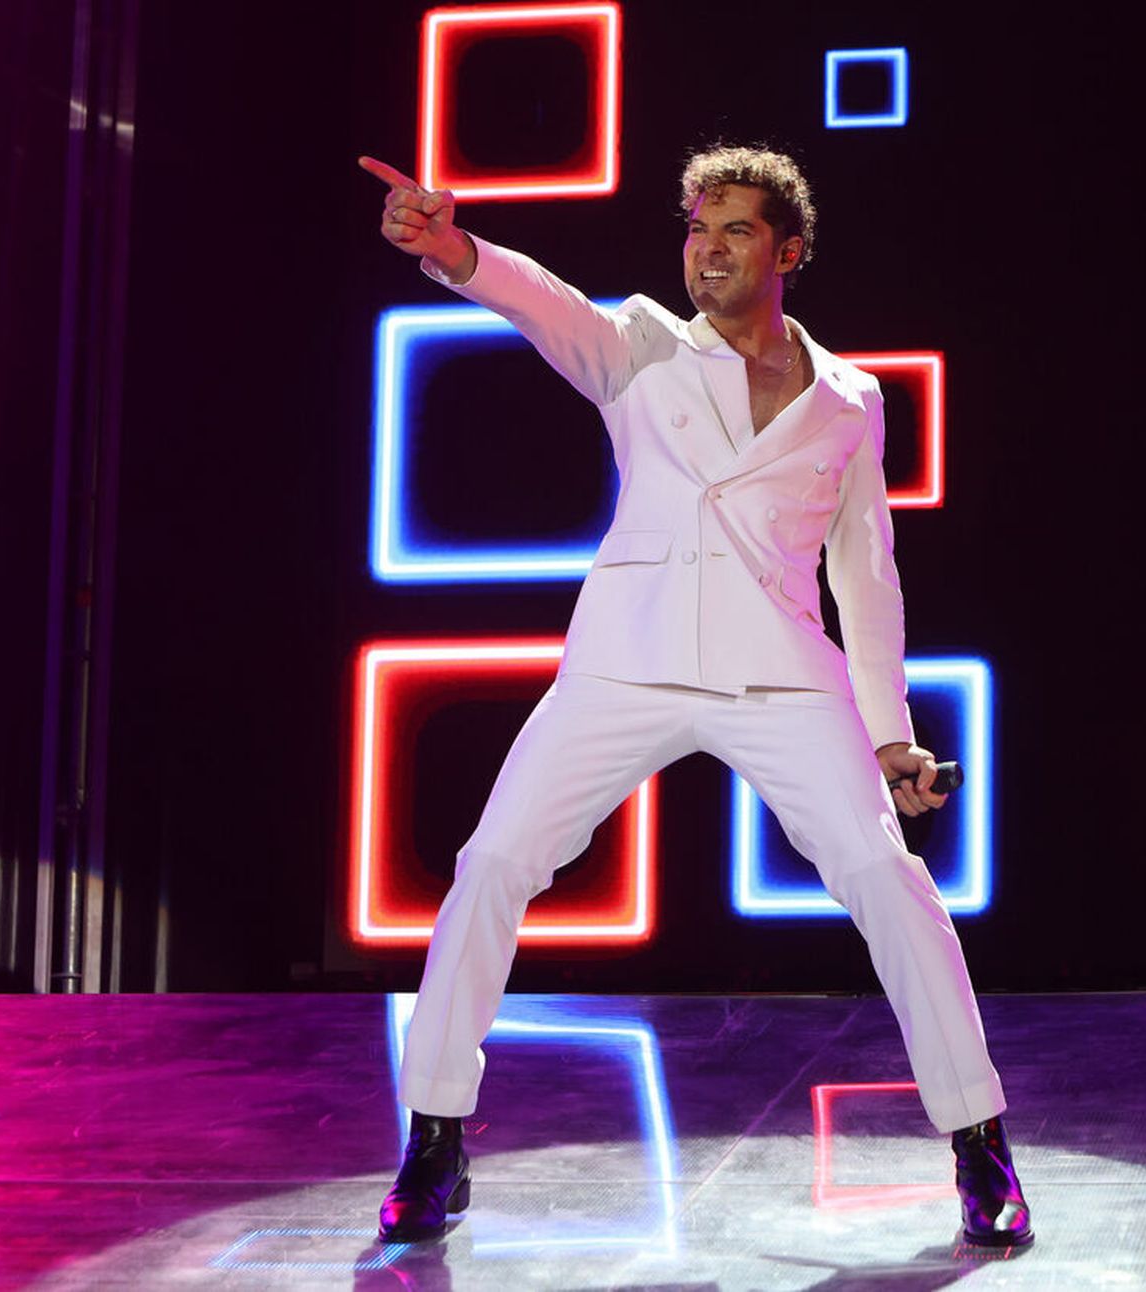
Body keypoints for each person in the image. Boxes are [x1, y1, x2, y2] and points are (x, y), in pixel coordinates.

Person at [357, 145, 1032, 1250]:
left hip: (780, 671)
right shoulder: (640, 347)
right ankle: (435, 1138)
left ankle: (980, 1146)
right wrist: (451, 248)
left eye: (734, 233)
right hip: (627, 659)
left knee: (886, 877)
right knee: (491, 862)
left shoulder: (848, 398)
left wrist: (890, 737)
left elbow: (866, 573)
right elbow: (543, 302)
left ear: (788, 252)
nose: (706, 251)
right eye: (696, 231)